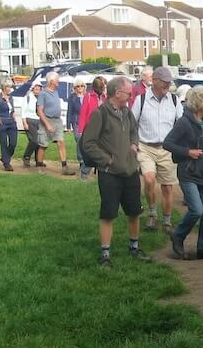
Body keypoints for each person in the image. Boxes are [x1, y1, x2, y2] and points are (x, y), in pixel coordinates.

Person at [80, 75, 150, 267]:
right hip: (109, 173)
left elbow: (134, 131)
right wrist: (107, 160)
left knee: (134, 211)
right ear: (118, 93)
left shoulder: (127, 113)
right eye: (128, 92)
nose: (131, 95)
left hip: (130, 171)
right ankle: (105, 254)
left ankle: (134, 247)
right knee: (108, 214)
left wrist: (134, 145)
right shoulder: (100, 114)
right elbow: (88, 143)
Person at [163, 85, 203, 261]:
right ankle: (178, 236)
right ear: (200, 102)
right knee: (196, 210)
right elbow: (168, 143)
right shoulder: (184, 123)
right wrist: (188, 152)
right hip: (188, 171)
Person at [131, 66, 183, 234]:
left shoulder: (174, 100)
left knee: (167, 187)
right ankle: (152, 212)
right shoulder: (141, 99)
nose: (167, 86)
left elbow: (181, 124)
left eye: (169, 83)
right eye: (164, 82)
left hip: (167, 148)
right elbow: (132, 123)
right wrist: (133, 144)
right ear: (154, 81)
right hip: (146, 146)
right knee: (148, 179)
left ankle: (167, 220)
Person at [36, 72, 76, 175]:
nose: (58, 81)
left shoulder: (56, 92)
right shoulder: (43, 93)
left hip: (57, 121)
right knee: (43, 145)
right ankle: (39, 166)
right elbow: (40, 111)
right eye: (57, 79)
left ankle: (64, 167)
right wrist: (47, 125)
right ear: (52, 81)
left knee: (61, 142)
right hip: (46, 120)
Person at [76, 75, 108, 180]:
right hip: (91, 129)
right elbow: (83, 114)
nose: (104, 88)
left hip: (103, 129)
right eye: (103, 86)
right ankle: (84, 173)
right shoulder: (88, 96)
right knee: (92, 152)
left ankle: (103, 173)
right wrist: (81, 130)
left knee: (104, 151)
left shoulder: (105, 97)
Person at [0, 81, 18, 171]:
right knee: (3, 143)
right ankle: (7, 163)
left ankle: (5, 157)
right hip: (2, 122)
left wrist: (15, 120)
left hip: (11, 122)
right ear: (4, 88)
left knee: (13, 143)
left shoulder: (11, 98)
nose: (10, 89)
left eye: (10, 87)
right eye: (8, 87)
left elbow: (12, 110)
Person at [67, 77, 86, 178]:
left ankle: (85, 161)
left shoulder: (87, 97)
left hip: (87, 122)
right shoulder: (72, 97)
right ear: (75, 88)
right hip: (76, 122)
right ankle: (81, 160)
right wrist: (68, 125)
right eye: (78, 86)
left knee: (85, 142)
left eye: (82, 86)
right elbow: (69, 111)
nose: (80, 88)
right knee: (78, 139)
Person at [20, 80, 42, 167]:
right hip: (30, 120)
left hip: (39, 121)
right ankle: (26, 156)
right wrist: (24, 123)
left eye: (39, 88)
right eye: (36, 87)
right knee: (34, 140)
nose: (37, 89)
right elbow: (23, 112)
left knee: (39, 141)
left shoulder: (41, 98)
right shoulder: (28, 97)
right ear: (33, 88)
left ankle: (38, 160)